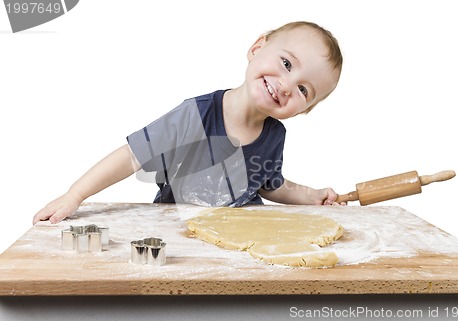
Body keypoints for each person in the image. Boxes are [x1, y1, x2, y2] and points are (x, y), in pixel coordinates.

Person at [32, 21, 344, 225]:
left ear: (306, 109)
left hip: (240, 238)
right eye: (286, 63)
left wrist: (310, 195)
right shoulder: (196, 114)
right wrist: (74, 196)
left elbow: (269, 185)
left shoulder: (275, 135)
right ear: (257, 48)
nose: (288, 85)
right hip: (177, 231)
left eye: (304, 90)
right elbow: (131, 156)